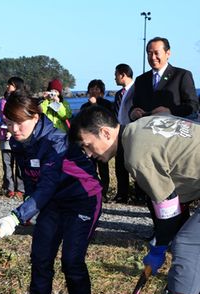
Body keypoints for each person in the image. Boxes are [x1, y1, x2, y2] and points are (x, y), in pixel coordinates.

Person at [68, 105, 199, 294]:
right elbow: (172, 206)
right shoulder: (141, 128)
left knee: (189, 247)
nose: (86, 153)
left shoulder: (136, 154)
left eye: (86, 144)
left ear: (105, 133)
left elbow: (170, 211)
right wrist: (162, 240)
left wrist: (160, 246)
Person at [0, 91, 102, 294]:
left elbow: (47, 184)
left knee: (71, 259)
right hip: (52, 202)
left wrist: (16, 216)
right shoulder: (18, 142)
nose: (13, 129)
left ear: (35, 117)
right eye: (8, 123)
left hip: (82, 199)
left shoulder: (55, 142)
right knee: (41, 256)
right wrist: (32, 209)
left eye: (18, 123)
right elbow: (32, 180)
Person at [130, 36, 198, 122]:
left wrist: (170, 111)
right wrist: (133, 112)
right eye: (149, 53)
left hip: (173, 130)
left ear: (168, 53)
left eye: (156, 53)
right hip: (145, 130)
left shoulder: (181, 75)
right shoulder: (141, 80)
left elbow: (193, 105)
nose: (153, 57)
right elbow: (135, 105)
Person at [80, 79, 113, 202]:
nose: (94, 90)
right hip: (88, 141)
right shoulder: (84, 106)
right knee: (90, 167)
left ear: (102, 92)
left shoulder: (107, 104)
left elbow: (105, 119)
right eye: (92, 88)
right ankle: (93, 191)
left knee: (103, 167)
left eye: (97, 88)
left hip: (102, 141)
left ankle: (104, 193)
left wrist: (94, 105)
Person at [112, 64, 135, 204]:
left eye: (116, 75)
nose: (114, 78)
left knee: (136, 163)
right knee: (120, 164)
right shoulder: (118, 94)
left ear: (123, 74)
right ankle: (122, 194)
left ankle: (140, 195)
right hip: (119, 131)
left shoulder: (137, 90)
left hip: (133, 130)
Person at [0, 77, 25, 198]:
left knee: (20, 163)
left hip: (19, 136)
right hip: (5, 135)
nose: (7, 86)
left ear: (16, 86)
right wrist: (9, 128)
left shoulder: (22, 100)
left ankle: (20, 188)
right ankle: (9, 188)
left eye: (10, 84)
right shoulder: (4, 101)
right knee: (7, 163)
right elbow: (4, 116)